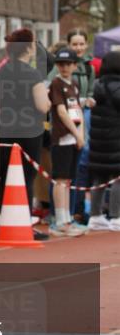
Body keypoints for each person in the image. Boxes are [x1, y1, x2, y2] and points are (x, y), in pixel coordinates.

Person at [0, 28, 51, 240]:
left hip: (5, 127)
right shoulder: (32, 73)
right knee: (26, 177)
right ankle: (24, 222)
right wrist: (47, 101)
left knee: (6, 175)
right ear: (27, 47)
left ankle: (5, 218)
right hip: (29, 130)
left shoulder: (2, 71)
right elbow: (42, 105)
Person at [48, 47, 86, 236]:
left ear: (74, 65)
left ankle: (67, 219)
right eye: (61, 64)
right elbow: (61, 112)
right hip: (62, 138)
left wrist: (81, 134)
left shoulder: (75, 84)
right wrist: (76, 134)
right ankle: (60, 221)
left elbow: (78, 110)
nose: (64, 67)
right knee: (60, 179)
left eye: (68, 64)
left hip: (74, 137)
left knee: (68, 179)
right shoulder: (56, 84)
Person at [66, 29, 97, 223]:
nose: (78, 48)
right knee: (69, 163)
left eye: (81, 44)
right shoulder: (61, 65)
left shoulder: (89, 67)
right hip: (67, 115)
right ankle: (65, 210)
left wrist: (90, 100)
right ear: (69, 45)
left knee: (82, 160)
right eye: (74, 44)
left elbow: (91, 90)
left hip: (83, 115)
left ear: (86, 45)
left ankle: (78, 209)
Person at [87, 51, 120, 231]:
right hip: (116, 139)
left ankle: (95, 215)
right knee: (117, 178)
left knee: (99, 178)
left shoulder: (96, 85)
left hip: (98, 140)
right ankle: (116, 216)